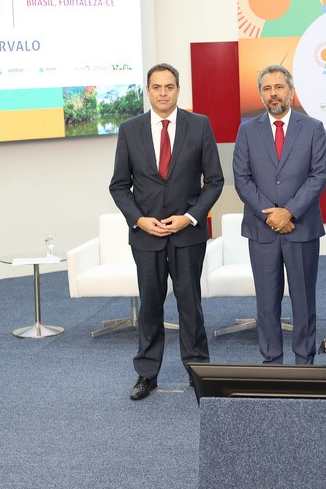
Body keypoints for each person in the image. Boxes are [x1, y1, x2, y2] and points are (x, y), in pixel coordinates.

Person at [109, 63, 224, 400]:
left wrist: (189, 217)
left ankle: (198, 370)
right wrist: (139, 220)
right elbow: (119, 186)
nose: (163, 93)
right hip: (146, 236)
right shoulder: (129, 130)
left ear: (178, 89)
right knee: (150, 306)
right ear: (148, 90)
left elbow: (214, 181)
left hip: (187, 234)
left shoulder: (199, 125)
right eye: (157, 87)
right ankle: (146, 374)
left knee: (190, 304)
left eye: (169, 87)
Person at [233, 65, 326, 364]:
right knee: (266, 302)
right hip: (262, 231)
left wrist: (289, 212)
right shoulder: (247, 130)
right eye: (267, 88)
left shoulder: (313, 127)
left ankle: (304, 362)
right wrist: (270, 215)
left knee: (303, 301)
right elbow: (242, 178)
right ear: (261, 94)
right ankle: (272, 362)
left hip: (301, 229)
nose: (273, 93)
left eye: (279, 87)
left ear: (291, 90)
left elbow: (318, 176)